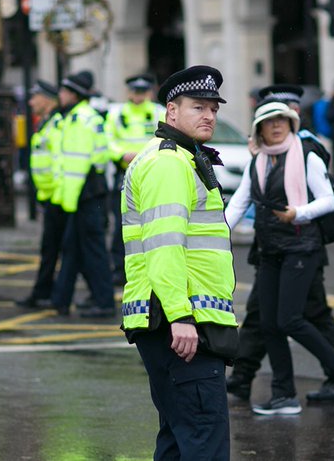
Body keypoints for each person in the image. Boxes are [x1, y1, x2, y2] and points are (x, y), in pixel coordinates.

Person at [120, 65, 238, 459]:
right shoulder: (169, 163)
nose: (209, 115)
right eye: (198, 107)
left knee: (177, 441)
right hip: (181, 324)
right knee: (204, 444)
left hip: (175, 320)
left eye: (213, 109)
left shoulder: (180, 158)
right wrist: (180, 317)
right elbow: (164, 246)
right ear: (172, 112)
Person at [225, 101, 334, 415]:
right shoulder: (256, 163)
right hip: (270, 250)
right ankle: (284, 395)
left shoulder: (307, 156)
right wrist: (214, 234)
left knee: (289, 319)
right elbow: (238, 204)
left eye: (281, 121)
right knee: (270, 324)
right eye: (269, 123)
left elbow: (328, 200)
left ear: (291, 123)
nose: (276, 126)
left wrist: (299, 213)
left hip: (302, 248)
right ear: (259, 130)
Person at [51, 71, 114, 317]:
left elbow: (78, 165)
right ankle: (61, 299)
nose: (60, 96)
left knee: (93, 249)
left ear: (73, 94)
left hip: (85, 194)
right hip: (84, 194)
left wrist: (66, 201)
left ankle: (104, 302)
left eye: (64, 92)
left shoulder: (81, 119)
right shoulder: (78, 117)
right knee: (73, 247)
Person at [105, 74, 164, 287]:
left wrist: (142, 156)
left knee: (150, 223)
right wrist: (122, 155)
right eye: (135, 91)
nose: (139, 95)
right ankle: (120, 270)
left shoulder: (158, 112)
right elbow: (109, 140)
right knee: (123, 225)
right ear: (128, 92)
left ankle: (150, 269)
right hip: (124, 174)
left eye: (143, 91)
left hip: (151, 175)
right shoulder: (117, 114)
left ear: (149, 92)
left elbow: (164, 138)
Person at [16, 80, 67, 309]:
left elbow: (59, 162)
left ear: (47, 99)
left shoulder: (57, 124)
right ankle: (46, 292)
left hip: (57, 197)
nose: (30, 102)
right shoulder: (45, 123)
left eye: (35, 97)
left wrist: (55, 194)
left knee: (57, 248)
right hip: (48, 196)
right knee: (53, 248)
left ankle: (49, 294)